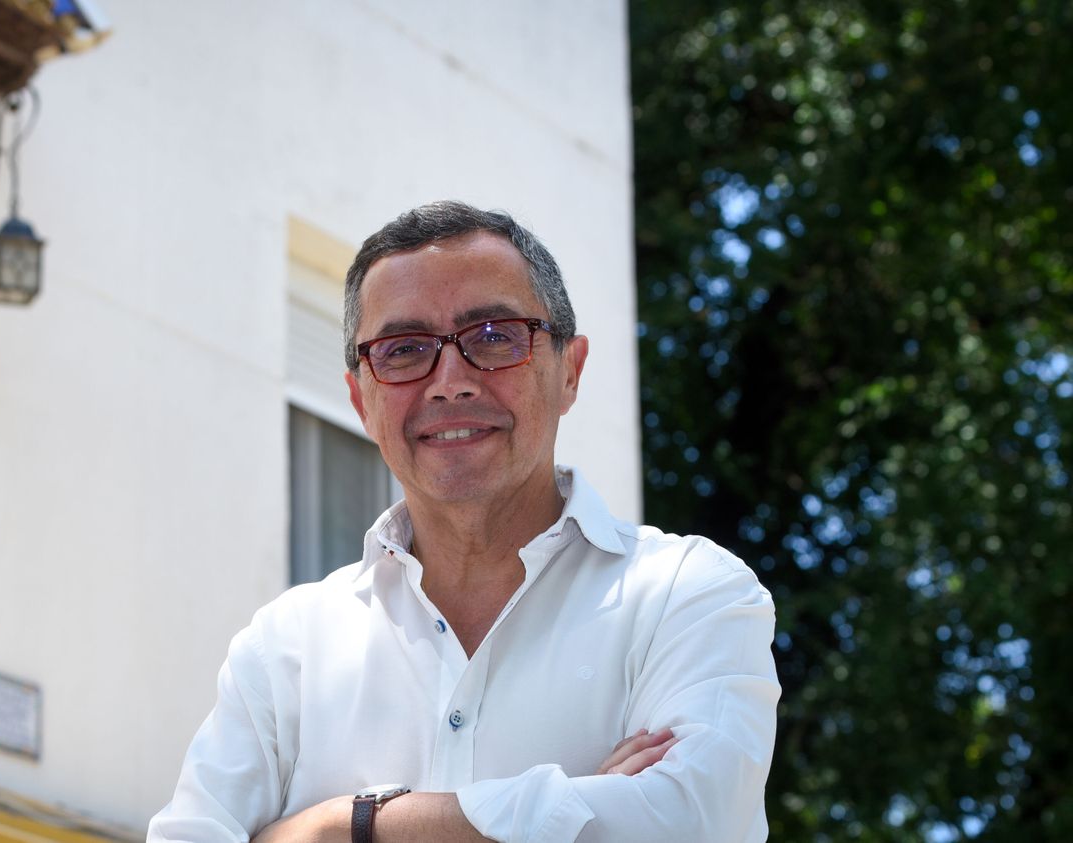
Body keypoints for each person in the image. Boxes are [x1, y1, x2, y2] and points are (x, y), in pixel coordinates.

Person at [149, 201, 779, 842]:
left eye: (495, 337)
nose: (450, 382)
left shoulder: (686, 594)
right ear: (359, 400)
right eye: (403, 350)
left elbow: (689, 823)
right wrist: (575, 810)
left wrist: (341, 827)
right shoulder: (284, 649)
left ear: (570, 370)